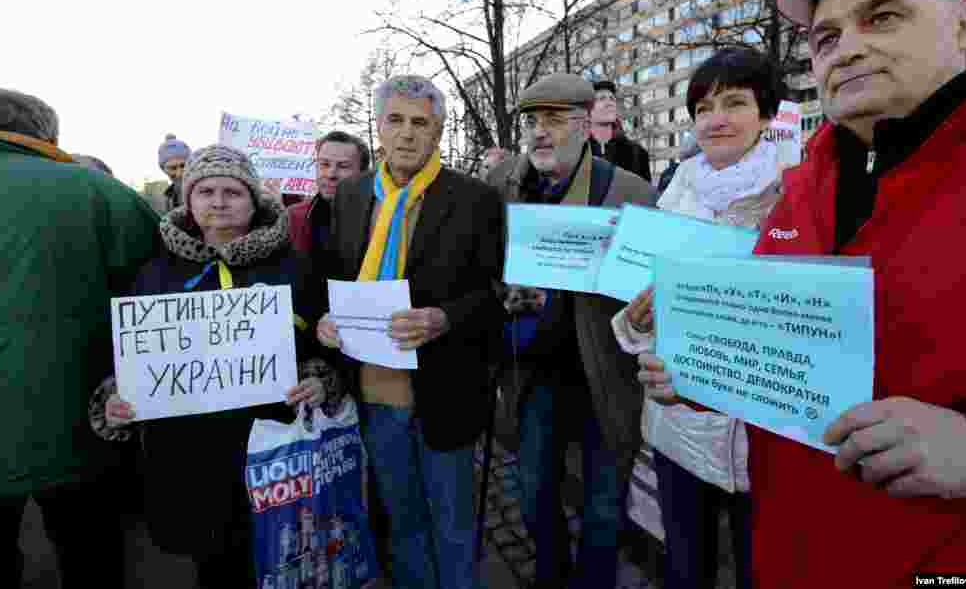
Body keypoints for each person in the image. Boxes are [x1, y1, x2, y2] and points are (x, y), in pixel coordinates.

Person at [643, 0, 966, 585]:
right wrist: (702, 371)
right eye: (825, 37)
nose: (847, 48)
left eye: (882, 16)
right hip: (791, 554)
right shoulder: (804, 187)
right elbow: (772, 349)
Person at [96, 145, 336, 588]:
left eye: (233, 191)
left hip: (273, 451)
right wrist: (114, 400)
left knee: (285, 558)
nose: (219, 201)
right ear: (188, 201)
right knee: (214, 567)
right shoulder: (154, 272)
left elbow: (325, 347)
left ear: (254, 201)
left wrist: (321, 381)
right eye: (206, 190)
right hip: (190, 455)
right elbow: (127, 356)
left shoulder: (294, 268)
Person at [316, 75, 505, 589]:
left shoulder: (475, 199)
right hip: (375, 392)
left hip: (445, 390)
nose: (406, 134)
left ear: (438, 131)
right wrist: (328, 321)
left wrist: (445, 318)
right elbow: (334, 278)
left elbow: (495, 296)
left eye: (420, 122)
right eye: (395, 120)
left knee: (454, 524)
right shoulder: (352, 195)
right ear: (378, 128)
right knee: (403, 523)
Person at [614, 47, 785, 589]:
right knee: (687, 572)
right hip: (677, 427)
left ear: (765, 113)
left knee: (763, 569)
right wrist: (639, 322)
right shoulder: (669, 198)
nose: (716, 119)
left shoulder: (796, 196)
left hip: (761, 435)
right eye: (704, 106)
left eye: (734, 102)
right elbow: (629, 318)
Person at [485, 73, 655, 589]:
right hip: (533, 373)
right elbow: (484, 266)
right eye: (533, 121)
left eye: (554, 120)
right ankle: (551, 574)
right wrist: (503, 295)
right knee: (534, 492)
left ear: (585, 124)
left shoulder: (629, 192)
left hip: (604, 375)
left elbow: (647, 286)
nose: (539, 132)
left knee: (605, 504)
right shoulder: (502, 187)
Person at [0, 89, 161, 588]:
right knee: (90, 556)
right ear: (47, 136)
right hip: (78, 426)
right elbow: (159, 294)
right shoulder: (100, 194)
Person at [289, 130, 370, 254]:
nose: (331, 174)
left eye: (343, 166)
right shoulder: (293, 217)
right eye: (324, 164)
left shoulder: (379, 217)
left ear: (364, 173)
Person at [588, 80, 652, 183]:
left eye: (612, 99)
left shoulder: (638, 153)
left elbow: (645, 196)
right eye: (601, 99)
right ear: (588, 110)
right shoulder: (576, 152)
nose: (609, 103)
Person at [158, 133, 191, 212]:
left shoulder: (205, 189)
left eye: (183, 166)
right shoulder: (168, 198)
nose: (179, 173)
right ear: (163, 170)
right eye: (173, 168)